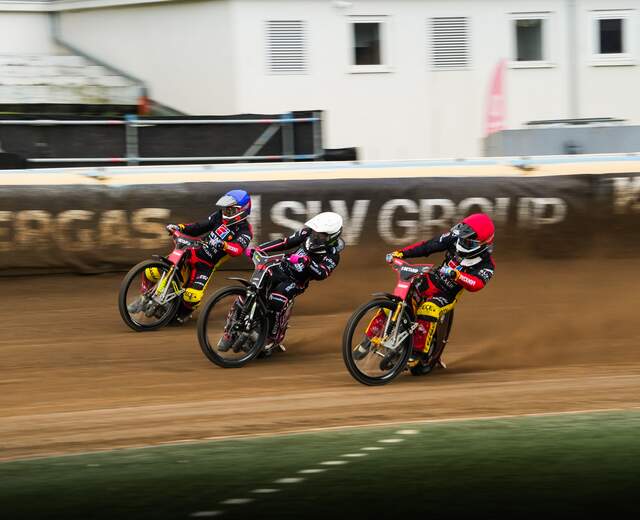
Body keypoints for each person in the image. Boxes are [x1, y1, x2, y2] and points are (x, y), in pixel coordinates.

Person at [356, 212, 495, 367]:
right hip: (430, 279)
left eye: (468, 242)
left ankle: (417, 353)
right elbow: (428, 246)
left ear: (483, 244)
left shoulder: (487, 265)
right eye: (462, 238)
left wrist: (457, 275)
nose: (461, 242)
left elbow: (477, 284)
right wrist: (402, 253)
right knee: (398, 300)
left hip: (447, 294)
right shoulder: (455, 237)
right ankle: (368, 338)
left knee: (428, 310)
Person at [129, 189, 253, 323]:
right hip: (190, 252)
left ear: (242, 211)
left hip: (205, 265)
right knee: (151, 271)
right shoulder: (219, 216)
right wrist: (179, 228)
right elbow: (199, 227)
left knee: (192, 296)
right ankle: (143, 298)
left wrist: (224, 245)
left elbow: (237, 249)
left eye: (230, 210)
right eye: (225, 209)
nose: (226, 212)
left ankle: (181, 314)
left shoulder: (245, 231)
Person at [242, 211, 344, 356]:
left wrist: (307, 262)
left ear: (331, 237)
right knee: (254, 285)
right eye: (315, 232)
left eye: (320, 235)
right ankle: (236, 319)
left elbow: (322, 274)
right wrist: (259, 249)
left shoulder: (333, 256)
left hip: (296, 281)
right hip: (281, 267)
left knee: (277, 299)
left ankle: (272, 338)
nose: (315, 236)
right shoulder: (307, 233)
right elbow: (285, 242)